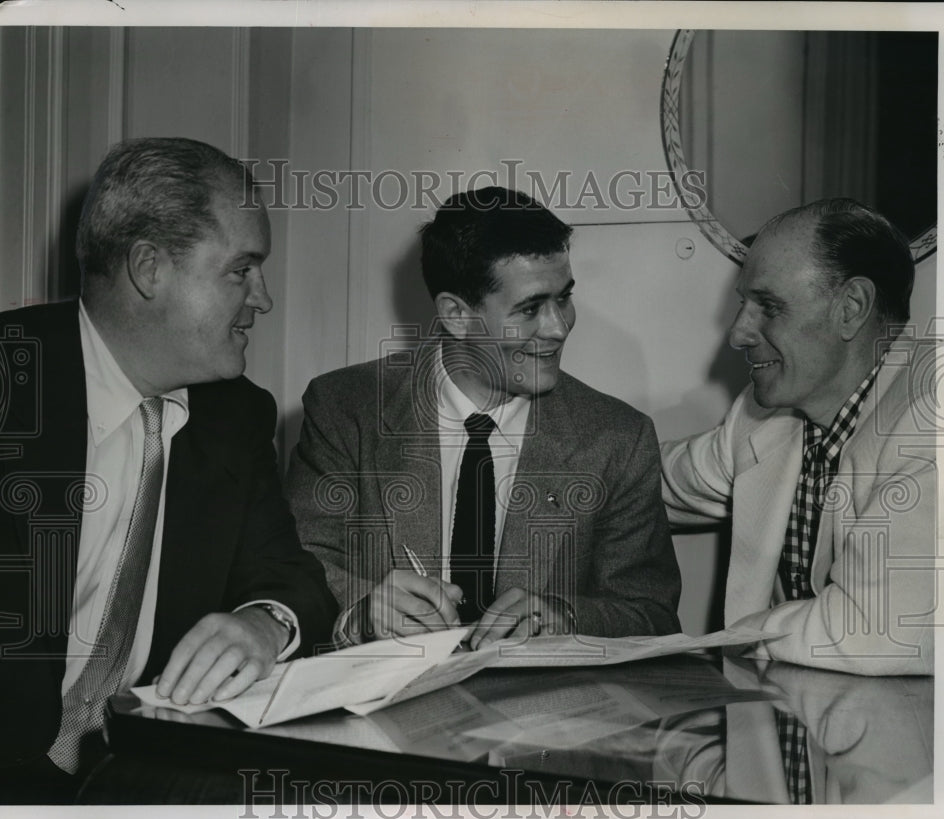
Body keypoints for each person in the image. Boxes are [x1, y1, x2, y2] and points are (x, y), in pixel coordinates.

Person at [0, 137, 338, 802]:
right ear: (149, 268)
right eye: (241, 270)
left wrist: (264, 622)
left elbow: (295, 580)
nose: (263, 298)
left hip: (143, 771)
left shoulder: (235, 416)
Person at [287, 186, 680, 650]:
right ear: (456, 314)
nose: (559, 327)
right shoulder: (343, 408)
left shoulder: (619, 437)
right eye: (531, 308)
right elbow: (300, 566)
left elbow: (651, 612)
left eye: (564, 299)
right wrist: (361, 611)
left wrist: (566, 617)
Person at [661, 198, 936, 675]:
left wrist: (718, 645)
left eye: (768, 306)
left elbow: (867, 632)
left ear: (851, 308)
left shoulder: (938, 413)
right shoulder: (767, 414)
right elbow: (642, 482)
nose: (738, 334)